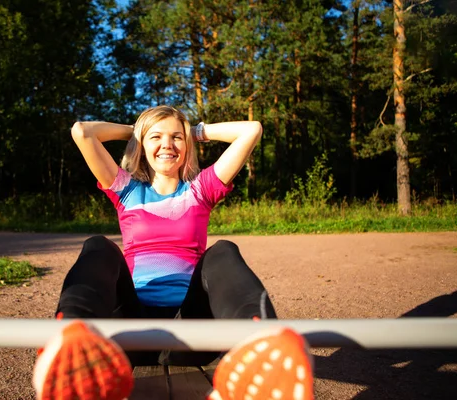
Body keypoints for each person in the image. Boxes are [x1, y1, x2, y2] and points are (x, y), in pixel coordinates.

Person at [32, 105, 314, 400]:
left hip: (191, 332)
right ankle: (70, 339)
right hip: (131, 330)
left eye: (176, 138)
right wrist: (137, 130)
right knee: (99, 246)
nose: (167, 144)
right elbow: (82, 132)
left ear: (187, 145)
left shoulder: (200, 190)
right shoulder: (126, 191)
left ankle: (260, 341)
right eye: (156, 137)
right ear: (141, 145)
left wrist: (194, 132)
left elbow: (251, 130)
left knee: (223, 250)